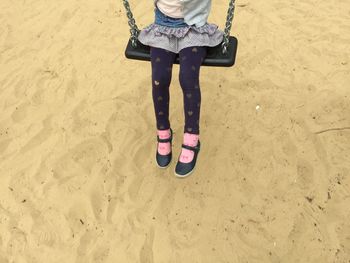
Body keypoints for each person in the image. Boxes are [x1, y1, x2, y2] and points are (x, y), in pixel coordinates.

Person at [138, 0, 223, 177]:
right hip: (162, 27)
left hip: (193, 28)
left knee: (187, 78)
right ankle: (163, 131)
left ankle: (192, 138)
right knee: (159, 79)